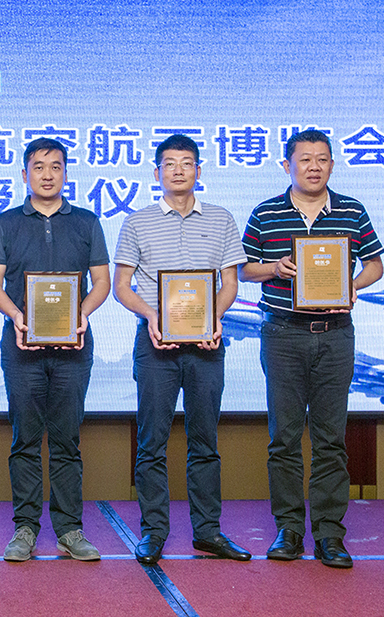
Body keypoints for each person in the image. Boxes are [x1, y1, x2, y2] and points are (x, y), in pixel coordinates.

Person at [240, 129, 384, 568]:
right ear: (287, 165)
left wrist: (352, 285)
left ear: (332, 165)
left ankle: (329, 534)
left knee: (330, 439)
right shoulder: (266, 212)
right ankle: (288, 529)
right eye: (305, 159)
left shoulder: (352, 211)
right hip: (283, 333)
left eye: (322, 159)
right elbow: (244, 269)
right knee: (283, 438)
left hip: (336, 333)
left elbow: (375, 265)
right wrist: (274, 267)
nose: (314, 166)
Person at [113, 134, 250, 565]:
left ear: (198, 171)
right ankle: (153, 532)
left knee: (205, 441)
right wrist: (151, 315)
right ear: (157, 173)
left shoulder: (222, 219)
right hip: (155, 343)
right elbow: (121, 287)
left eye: (186, 163)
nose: (178, 170)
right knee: (151, 441)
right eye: (169, 163)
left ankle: (208, 532)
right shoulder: (137, 222)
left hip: (206, 345)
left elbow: (230, 283)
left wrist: (214, 318)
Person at [0, 137, 111, 562]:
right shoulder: (4, 223)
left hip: (74, 346)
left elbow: (101, 282)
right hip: (21, 344)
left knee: (66, 441)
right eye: (38, 166)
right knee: (24, 439)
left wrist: (82, 313)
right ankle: (24, 529)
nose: (47, 174)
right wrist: (16, 315)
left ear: (66, 173)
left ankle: (70, 530)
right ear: (25, 174)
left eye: (55, 166)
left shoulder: (87, 222)